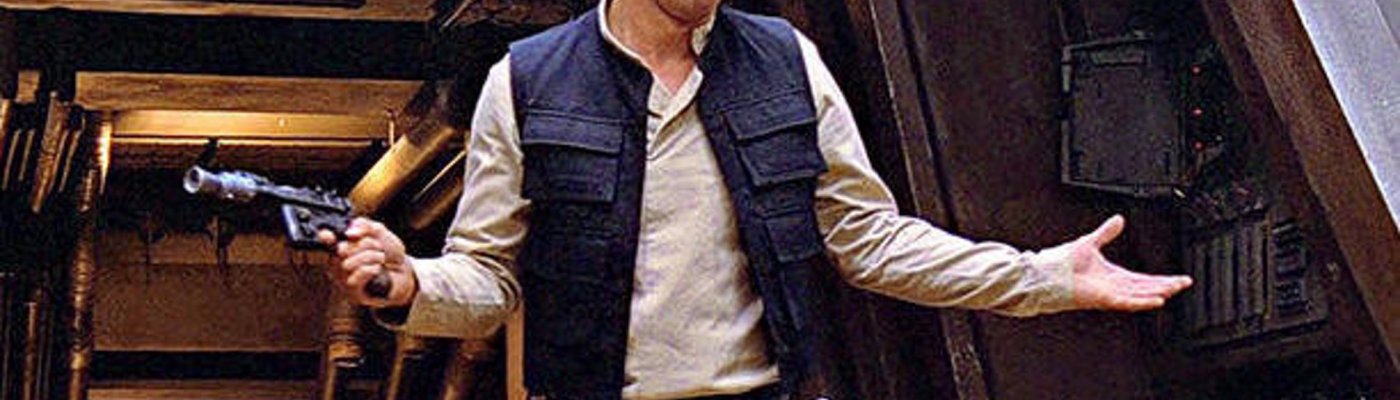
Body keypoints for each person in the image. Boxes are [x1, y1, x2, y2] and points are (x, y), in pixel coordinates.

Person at [320, 0, 1193, 398]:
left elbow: (870, 241)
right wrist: (411, 283)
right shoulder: (528, 80)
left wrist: (1043, 277)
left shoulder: (785, 60)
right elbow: (489, 279)